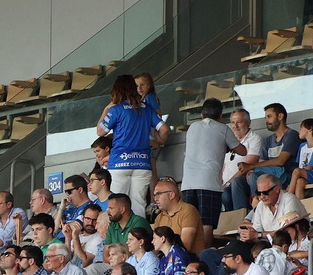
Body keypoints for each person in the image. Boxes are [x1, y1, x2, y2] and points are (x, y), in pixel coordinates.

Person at [96, 75, 167, 214]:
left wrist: (107, 108)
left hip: (119, 164)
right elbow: (164, 129)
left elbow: (100, 131)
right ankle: (139, 235)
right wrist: (159, 141)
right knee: (138, 204)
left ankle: (120, 236)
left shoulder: (116, 109)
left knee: (116, 205)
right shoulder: (146, 108)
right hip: (142, 163)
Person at [180, 99, 242, 221]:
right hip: (209, 183)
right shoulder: (223, 128)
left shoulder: (192, 127)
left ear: (202, 115)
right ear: (220, 116)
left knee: (190, 224)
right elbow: (242, 151)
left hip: (188, 184)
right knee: (207, 224)